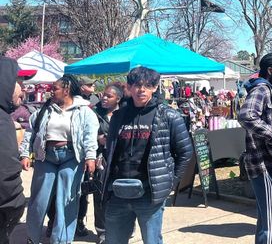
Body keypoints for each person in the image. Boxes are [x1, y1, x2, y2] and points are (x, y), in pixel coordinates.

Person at [102, 66, 192, 244]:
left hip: (149, 195)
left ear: (155, 87)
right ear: (129, 87)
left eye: (147, 85)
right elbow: (111, 150)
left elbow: (185, 152)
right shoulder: (118, 117)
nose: (141, 89)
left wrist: (170, 182)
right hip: (118, 193)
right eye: (136, 85)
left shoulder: (169, 116)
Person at [20, 75, 99, 244]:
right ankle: (32, 237)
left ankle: (61, 240)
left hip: (71, 157)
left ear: (66, 90)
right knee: (39, 200)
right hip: (45, 156)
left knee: (67, 200)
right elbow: (30, 132)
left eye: (55, 88)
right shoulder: (44, 109)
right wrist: (25, 153)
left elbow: (89, 136)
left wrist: (90, 156)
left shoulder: (84, 111)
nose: (51, 91)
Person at [238, 53, 272, 244]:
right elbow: (246, 116)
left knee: (268, 219)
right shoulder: (261, 89)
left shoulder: (270, 90)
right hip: (265, 164)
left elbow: (269, 120)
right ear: (270, 71)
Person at [91, 84, 124, 244]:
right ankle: (102, 232)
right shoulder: (94, 113)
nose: (104, 98)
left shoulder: (124, 113)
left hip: (120, 160)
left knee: (121, 195)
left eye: (109, 96)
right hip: (101, 160)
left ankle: (125, 229)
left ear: (118, 98)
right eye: (103, 95)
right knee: (100, 196)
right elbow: (86, 134)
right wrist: (98, 139)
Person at [0, 57, 27, 244]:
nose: (23, 90)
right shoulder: (2, 121)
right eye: (18, 83)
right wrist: (16, 204)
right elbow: (5, 173)